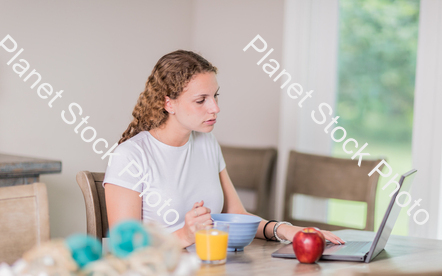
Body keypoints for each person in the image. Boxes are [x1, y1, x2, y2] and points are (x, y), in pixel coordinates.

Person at [103, 50, 345, 248]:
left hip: (210, 270)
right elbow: (125, 248)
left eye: (215, 96)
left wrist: (287, 230)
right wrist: (185, 235)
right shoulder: (130, 156)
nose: (215, 108)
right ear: (169, 103)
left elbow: (236, 215)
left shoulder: (207, 143)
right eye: (201, 100)